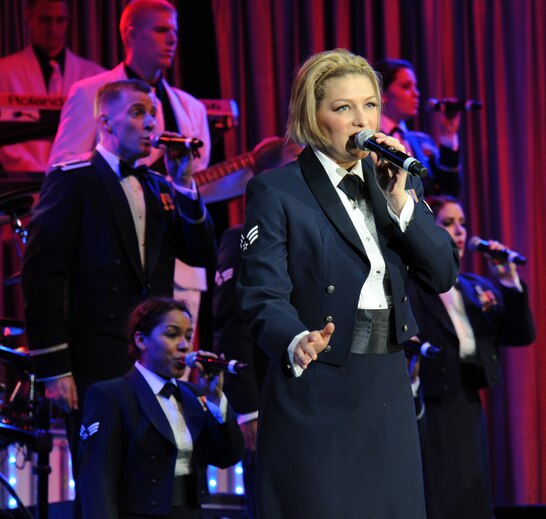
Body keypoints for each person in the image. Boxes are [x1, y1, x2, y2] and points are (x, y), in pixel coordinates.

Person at [237, 48, 459, 517]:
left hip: (385, 383)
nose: (362, 120)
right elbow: (261, 293)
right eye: (343, 108)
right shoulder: (277, 191)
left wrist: (401, 198)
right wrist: (295, 338)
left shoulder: (396, 182)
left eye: (370, 105)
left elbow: (442, 273)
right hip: (318, 382)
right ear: (312, 117)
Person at [21, 79, 215, 477]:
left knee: (153, 478)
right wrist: (54, 367)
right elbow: (42, 276)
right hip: (96, 356)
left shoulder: (161, 187)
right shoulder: (73, 178)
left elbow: (200, 253)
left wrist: (183, 182)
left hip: (153, 359)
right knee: (101, 479)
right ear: (106, 123)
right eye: (138, 112)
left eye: (153, 114)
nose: (150, 124)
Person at [46, 0, 211, 326]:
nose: (172, 39)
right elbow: (62, 166)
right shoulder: (91, 91)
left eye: (175, 32)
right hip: (110, 258)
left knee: (176, 363)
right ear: (131, 35)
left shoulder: (192, 107)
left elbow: (202, 182)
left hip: (175, 259)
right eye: (162, 30)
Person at [407, 195, 536, 519]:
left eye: (462, 224)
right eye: (448, 223)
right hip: (429, 406)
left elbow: (520, 334)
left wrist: (508, 281)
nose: (460, 232)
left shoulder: (475, 288)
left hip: (466, 402)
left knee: (471, 499)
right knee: (438, 496)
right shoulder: (412, 287)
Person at [77, 297, 244, 518]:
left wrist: (214, 399)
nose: (185, 345)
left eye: (188, 336)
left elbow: (227, 456)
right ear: (141, 340)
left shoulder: (194, 395)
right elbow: (97, 479)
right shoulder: (112, 395)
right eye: (172, 334)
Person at [211, 136, 301, 517]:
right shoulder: (242, 237)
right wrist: (247, 410)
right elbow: (232, 330)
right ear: (265, 178)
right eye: (297, 161)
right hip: (270, 400)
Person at [0, 0, 104, 174]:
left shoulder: (94, 76)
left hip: (77, 181)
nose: (53, 29)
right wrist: (39, 170)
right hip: (21, 180)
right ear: (29, 18)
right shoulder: (4, 72)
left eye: (60, 20)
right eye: (45, 20)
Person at [374, 58, 463, 196]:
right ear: (382, 94)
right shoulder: (372, 140)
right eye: (406, 86)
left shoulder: (422, 141)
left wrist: (448, 134)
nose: (416, 93)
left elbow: (449, 191)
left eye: (415, 86)